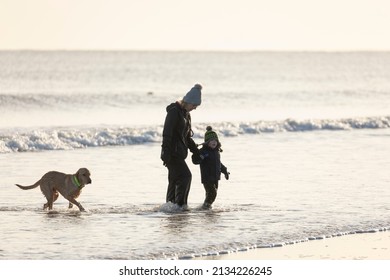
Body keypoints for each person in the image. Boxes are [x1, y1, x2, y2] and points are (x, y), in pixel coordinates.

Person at [161, 84, 202, 210]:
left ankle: (170, 207)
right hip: (172, 154)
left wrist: (195, 151)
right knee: (185, 176)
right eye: (194, 105)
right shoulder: (174, 112)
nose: (195, 108)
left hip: (179, 153)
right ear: (188, 101)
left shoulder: (186, 114)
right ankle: (180, 206)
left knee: (174, 180)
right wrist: (165, 153)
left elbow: (187, 137)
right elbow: (167, 133)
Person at [192, 126, 229, 209]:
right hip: (207, 177)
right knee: (212, 193)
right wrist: (200, 157)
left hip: (216, 177)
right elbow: (195, 161)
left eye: (215, 140)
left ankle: (206, 208)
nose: (214, 142)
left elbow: (219, 164)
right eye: (211, 140)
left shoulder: (216, 152)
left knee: (211, 193)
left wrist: (225, 171)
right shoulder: (203, 151)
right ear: (207, 142)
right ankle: (205, 206)